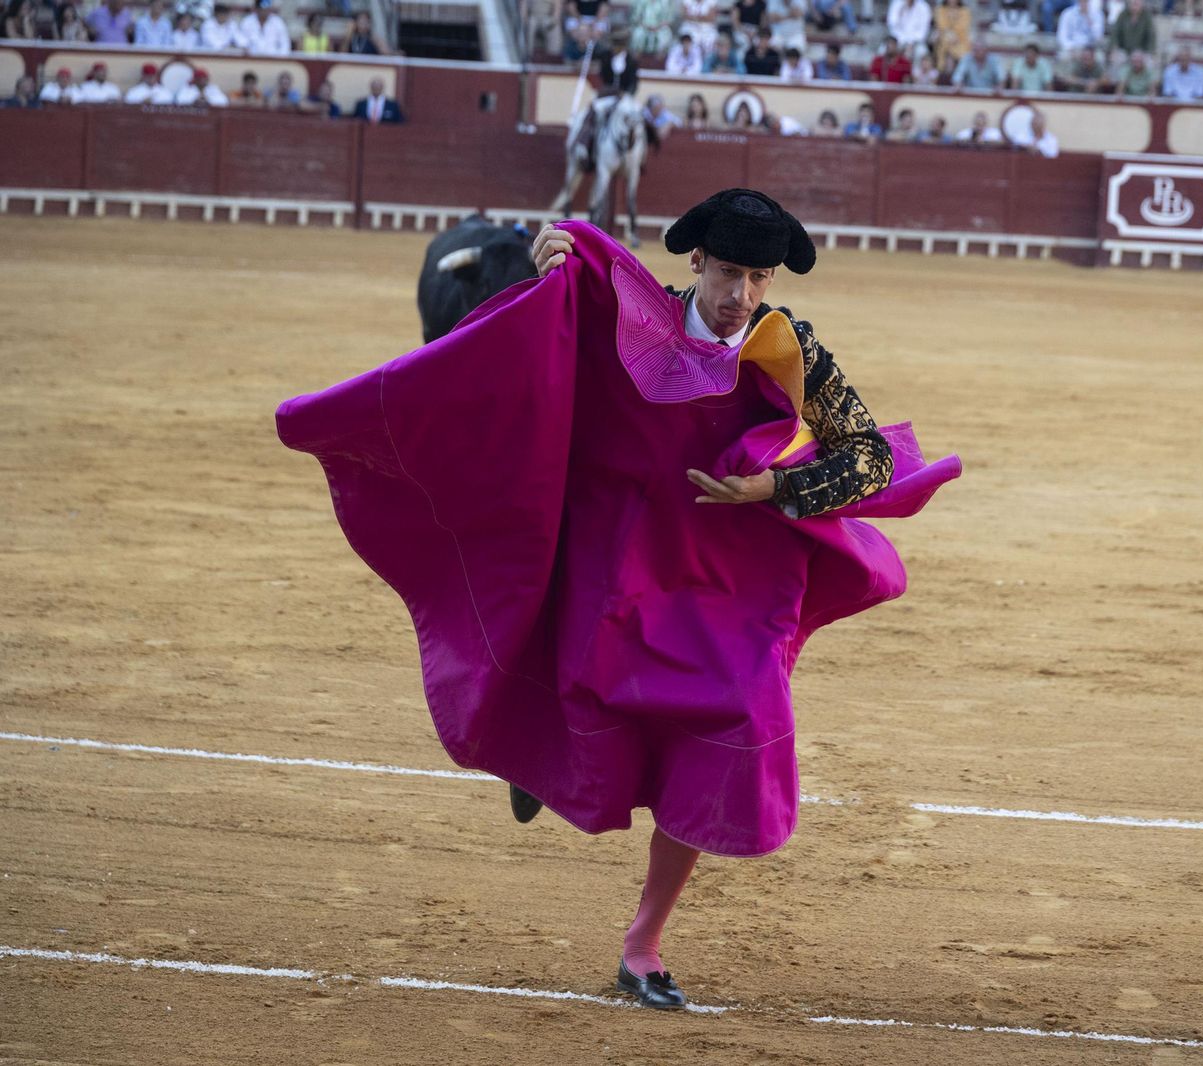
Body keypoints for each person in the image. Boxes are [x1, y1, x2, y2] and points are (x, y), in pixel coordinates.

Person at [281, 189, 952, 1016]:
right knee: (585, 682)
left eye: (758, 277)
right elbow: (525, 354)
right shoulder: (629, 314)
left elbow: (869, 460)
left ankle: (643, 944)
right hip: (620, 552)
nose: (741, 294)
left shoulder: (794, 350)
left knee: (736, 715)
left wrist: (774, 485)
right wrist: (546, 272)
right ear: (696, 263)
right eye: (729, 272)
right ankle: (540, 761)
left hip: (726, 575)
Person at [932, 0, 971, 70]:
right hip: (944, 38)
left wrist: (953, 34)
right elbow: (941, 25)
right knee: (945, 44)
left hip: (960, 39)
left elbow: (963, 27)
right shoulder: (940, 9)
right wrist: (949, 34)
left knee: (961, 52)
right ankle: (943, 71)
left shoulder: (965, 10)